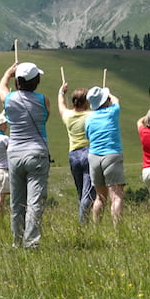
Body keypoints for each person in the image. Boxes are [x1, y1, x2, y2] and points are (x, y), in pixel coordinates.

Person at [0, 62, 50, 248]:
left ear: (18, 81)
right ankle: (32, 241)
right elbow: (45, 117)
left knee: (17, 201)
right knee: (34, 200)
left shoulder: (9, 99)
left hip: (14, 153)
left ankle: (17, 241)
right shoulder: (44, 100)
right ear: (36, 81)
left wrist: (7, 73)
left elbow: (2, 88)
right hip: (37, 151)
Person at [84, 86, 125, 227]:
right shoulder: (113, 111)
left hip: (94, 157)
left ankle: (96, 228)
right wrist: (107, 93)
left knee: (100, 197)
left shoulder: (89, 118)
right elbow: (116, 100)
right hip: (112, 155)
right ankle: (117, 230)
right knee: (116, 196)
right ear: (105, 100)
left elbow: (87, 136)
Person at [57, 83, 94, 223]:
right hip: (88, 153)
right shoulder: (91, 115)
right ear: (85, 102)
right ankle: (83, 224)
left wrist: (61, 92)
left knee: (81, 192)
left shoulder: (67, 116)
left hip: (73, 155)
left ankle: (83, 221)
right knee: (89, 193)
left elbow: (61, 106)